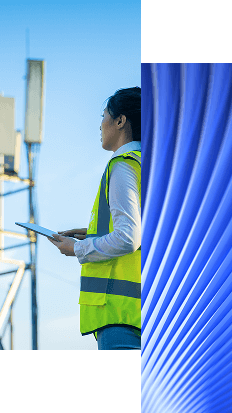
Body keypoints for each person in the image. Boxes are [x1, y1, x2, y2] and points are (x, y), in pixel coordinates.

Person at [49, 87, 141, 350]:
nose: (101, 124)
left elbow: (128, 236)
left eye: (104, 116)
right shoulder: (153, 166)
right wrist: (90, 233)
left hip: (121, 317)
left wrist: (78, 248)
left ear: (120, 120)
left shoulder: (123, 163)